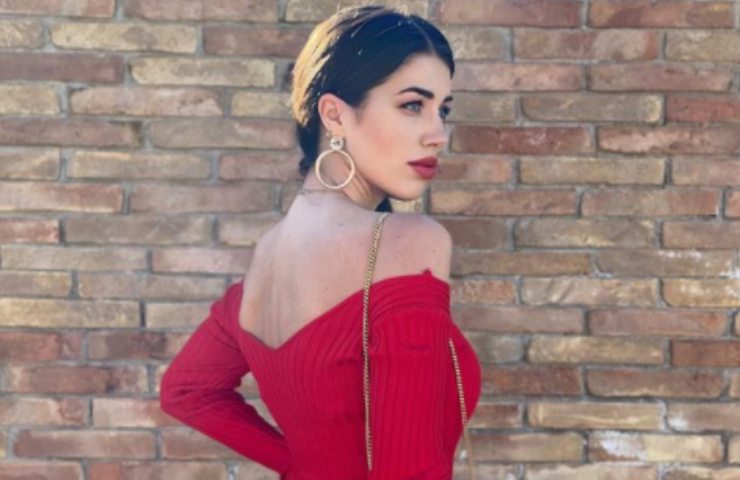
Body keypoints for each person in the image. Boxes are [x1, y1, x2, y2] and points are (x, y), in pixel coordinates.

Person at [159, 5, 482, 479]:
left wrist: (302, 465)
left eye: (443, 110)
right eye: (413, 105)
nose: (438, 135)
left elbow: (186, 391)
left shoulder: (267, 257)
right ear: (334, 114)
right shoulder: (407, 242)